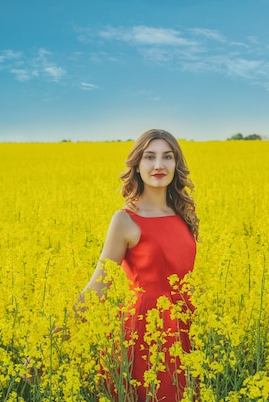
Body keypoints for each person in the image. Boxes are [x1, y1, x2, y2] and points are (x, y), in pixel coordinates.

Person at [74, 129, 199, 401]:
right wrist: (55, 335)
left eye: (167, 157)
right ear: (137, 166)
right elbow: (98, 285)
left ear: (176, 164)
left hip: (186, 325)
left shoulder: (183, 214)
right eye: (149, 157)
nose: (158, 165)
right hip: (143, 332)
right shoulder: (125, 219)